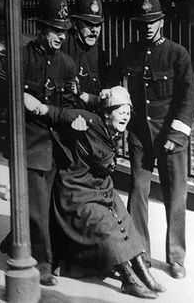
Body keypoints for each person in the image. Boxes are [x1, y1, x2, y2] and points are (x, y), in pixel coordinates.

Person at [23, 86, 166, 299]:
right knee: (107, 227)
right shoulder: (88, 119)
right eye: (121, 111)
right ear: (107, 113)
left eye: (128, 112)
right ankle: (128, 279)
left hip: (101, 187)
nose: (126, 116)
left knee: (125, 221)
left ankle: (142, 272)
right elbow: (54, 112)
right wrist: (37, 105)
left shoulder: (114, 130)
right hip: (77, 189)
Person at [0, 0, 77, 286]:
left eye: (63, 31)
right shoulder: (20, 57)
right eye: (54, 30)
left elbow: (69, 107)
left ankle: (16, 242)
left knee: (51, 204)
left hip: (56, 146)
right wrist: (19, 95)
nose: (60, 36)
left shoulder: (67, 64)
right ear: (40, 28)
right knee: (36, 204)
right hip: (28, 143)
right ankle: (44, 261)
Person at [106, 0, 194, 279]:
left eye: (153, 21)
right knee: (138, 191)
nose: (148, 26)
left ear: (161, 21)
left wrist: (177, 134)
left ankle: (177, 258)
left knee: (176, 196)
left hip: (170, 135)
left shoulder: (177, 53)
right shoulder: (129, 52)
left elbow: (189, 98)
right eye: (143, 22)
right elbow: (110, 77)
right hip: (140, 135)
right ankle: (140, 252)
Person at [61, 0, 108, 109]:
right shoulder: (63, 47)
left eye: (98, 25)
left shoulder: (100, 54)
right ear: (76, 24)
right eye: (88, 24)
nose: (94, 30)